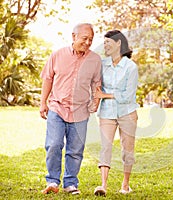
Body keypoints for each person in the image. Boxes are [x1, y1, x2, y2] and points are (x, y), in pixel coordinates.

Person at [39, 23, 102, 195]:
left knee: (75, 150)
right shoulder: (57, 55)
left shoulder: (95, 60)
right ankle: (52, 181)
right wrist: (43, 102)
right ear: (74, 36)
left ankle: (70, 183)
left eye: (91, 39)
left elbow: (97, 84)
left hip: (80, 111)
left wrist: (95, 102)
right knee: (53, 144)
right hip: (57, 107)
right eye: (84, 38)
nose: (88, 42)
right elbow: (48, 79)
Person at [93, 30, 139, 196]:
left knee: (127, 149)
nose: (105, 45)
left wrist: (105, 95)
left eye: (108, 42)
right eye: (104, 42)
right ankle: (103, 185)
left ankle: (125, 184)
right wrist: (95, 101)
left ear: (118, 43)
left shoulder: (131, 67)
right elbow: (96, 86)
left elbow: (127, 95)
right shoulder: (102, 64)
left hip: (127, 112)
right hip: (106, 112)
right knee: (105, 147)